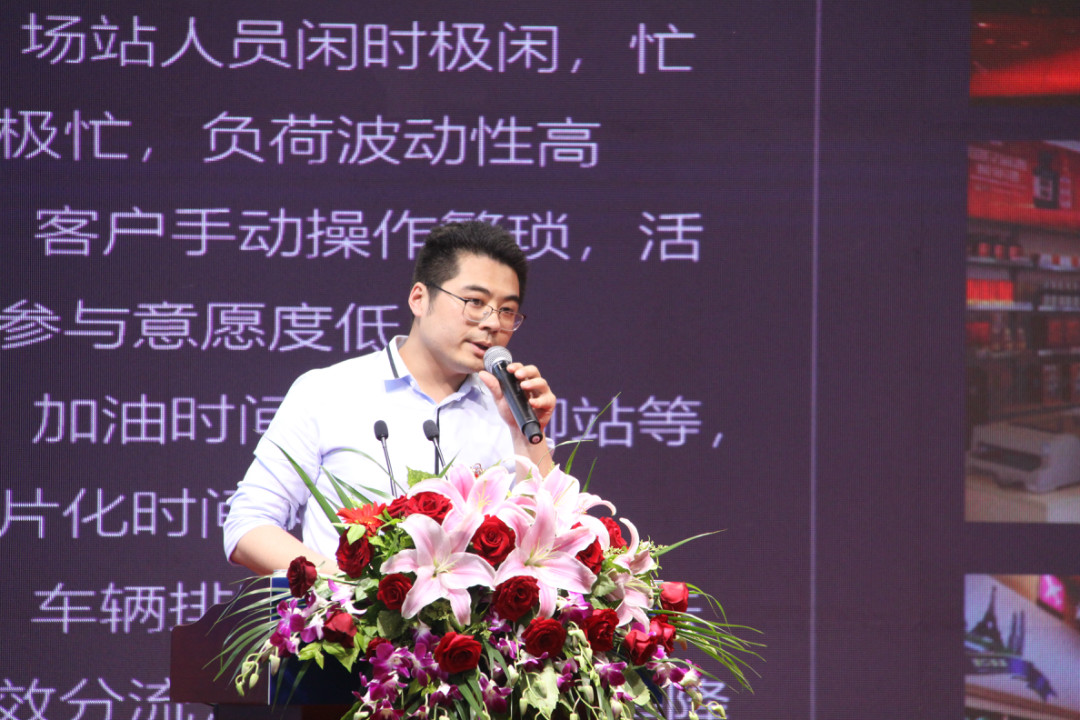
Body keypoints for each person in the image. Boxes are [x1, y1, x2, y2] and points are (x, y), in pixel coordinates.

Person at [223, 222, 556, 575]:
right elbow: (249, 525)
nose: (493, 323)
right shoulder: (326, 392)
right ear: (419, 299)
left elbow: (548, 543)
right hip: (344, 608)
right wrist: (347, 591)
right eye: (475, 302)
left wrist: (525, 436)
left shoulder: (508, 411)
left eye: (507, 310)